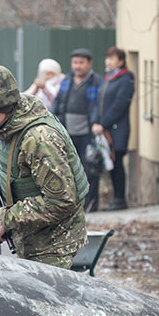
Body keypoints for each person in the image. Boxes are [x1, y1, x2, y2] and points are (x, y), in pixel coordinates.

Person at [0, 64, 88, 268]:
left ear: (2, 104)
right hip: (31, 239)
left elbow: (61, 201)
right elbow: (4, 160)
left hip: (54, 246)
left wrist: (7, 219)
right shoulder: (7, 125)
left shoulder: (39, 139)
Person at [51, 48, 104, 212]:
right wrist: (53, 118)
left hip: (87, 133)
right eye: (75, 62)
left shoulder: (97, 82)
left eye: (81, 62)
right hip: (68, 132)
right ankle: (73, 204)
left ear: (89, 63)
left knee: (89, 169)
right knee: (68, 168)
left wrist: (96, 122)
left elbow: (99, 106)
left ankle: (91, 204)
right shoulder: (67, 80)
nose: (77, 66)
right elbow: (58, 101)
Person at [96, 47, 135, 211]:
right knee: (110, 163)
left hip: (117, 129)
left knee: (117, 162)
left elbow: (120, 104)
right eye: (107, 58)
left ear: (121, 61)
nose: (108, 61)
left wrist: (103, 123)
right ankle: (115, 198)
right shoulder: (109, 78)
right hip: (105, 129)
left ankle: (120, 199)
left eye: (112, 58)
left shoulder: (126, 79)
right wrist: (97, 122)